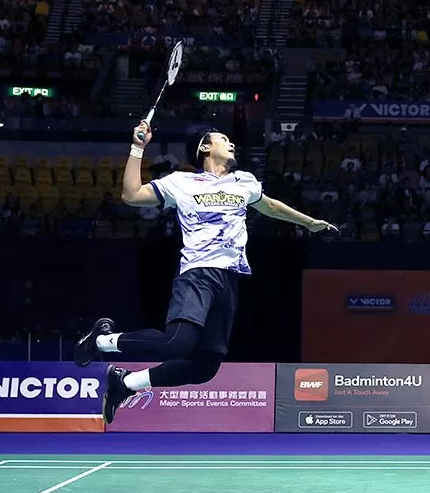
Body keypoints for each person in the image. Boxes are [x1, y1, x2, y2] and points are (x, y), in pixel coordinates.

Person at [74, 120, 337, 424]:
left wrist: (308, 222)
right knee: (177, 344)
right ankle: (99, 342)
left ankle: (125, 383)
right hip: (197, 274)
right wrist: (137, 148)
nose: (232, 143)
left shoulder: (244, 181)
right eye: (223, 139)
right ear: (205, 147)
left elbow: (272, 207)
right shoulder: (181, 182)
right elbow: (131, 195)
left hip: (229, 278)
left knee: (204, 367)